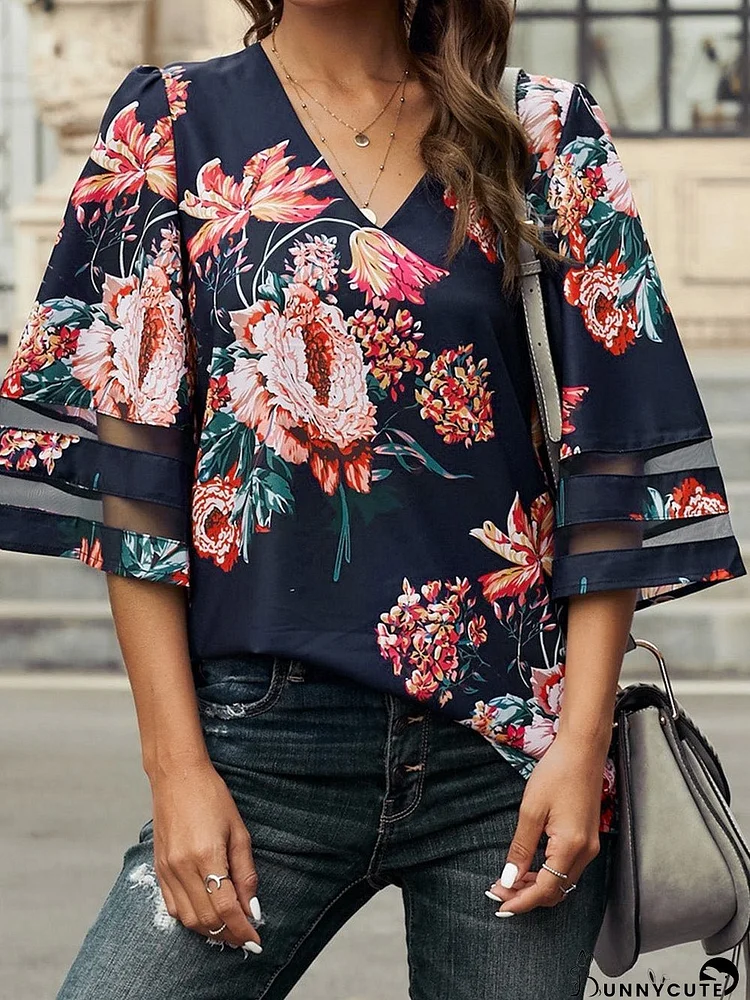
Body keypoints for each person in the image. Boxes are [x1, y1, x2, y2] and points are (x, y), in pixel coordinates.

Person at [1, 1, 746, 998]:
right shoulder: (170, 125)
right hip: (259, 743)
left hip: (509, 754)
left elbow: (610, 451)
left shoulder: (543, 133)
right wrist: (177, 772)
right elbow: (133, 479)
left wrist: (578, 751)